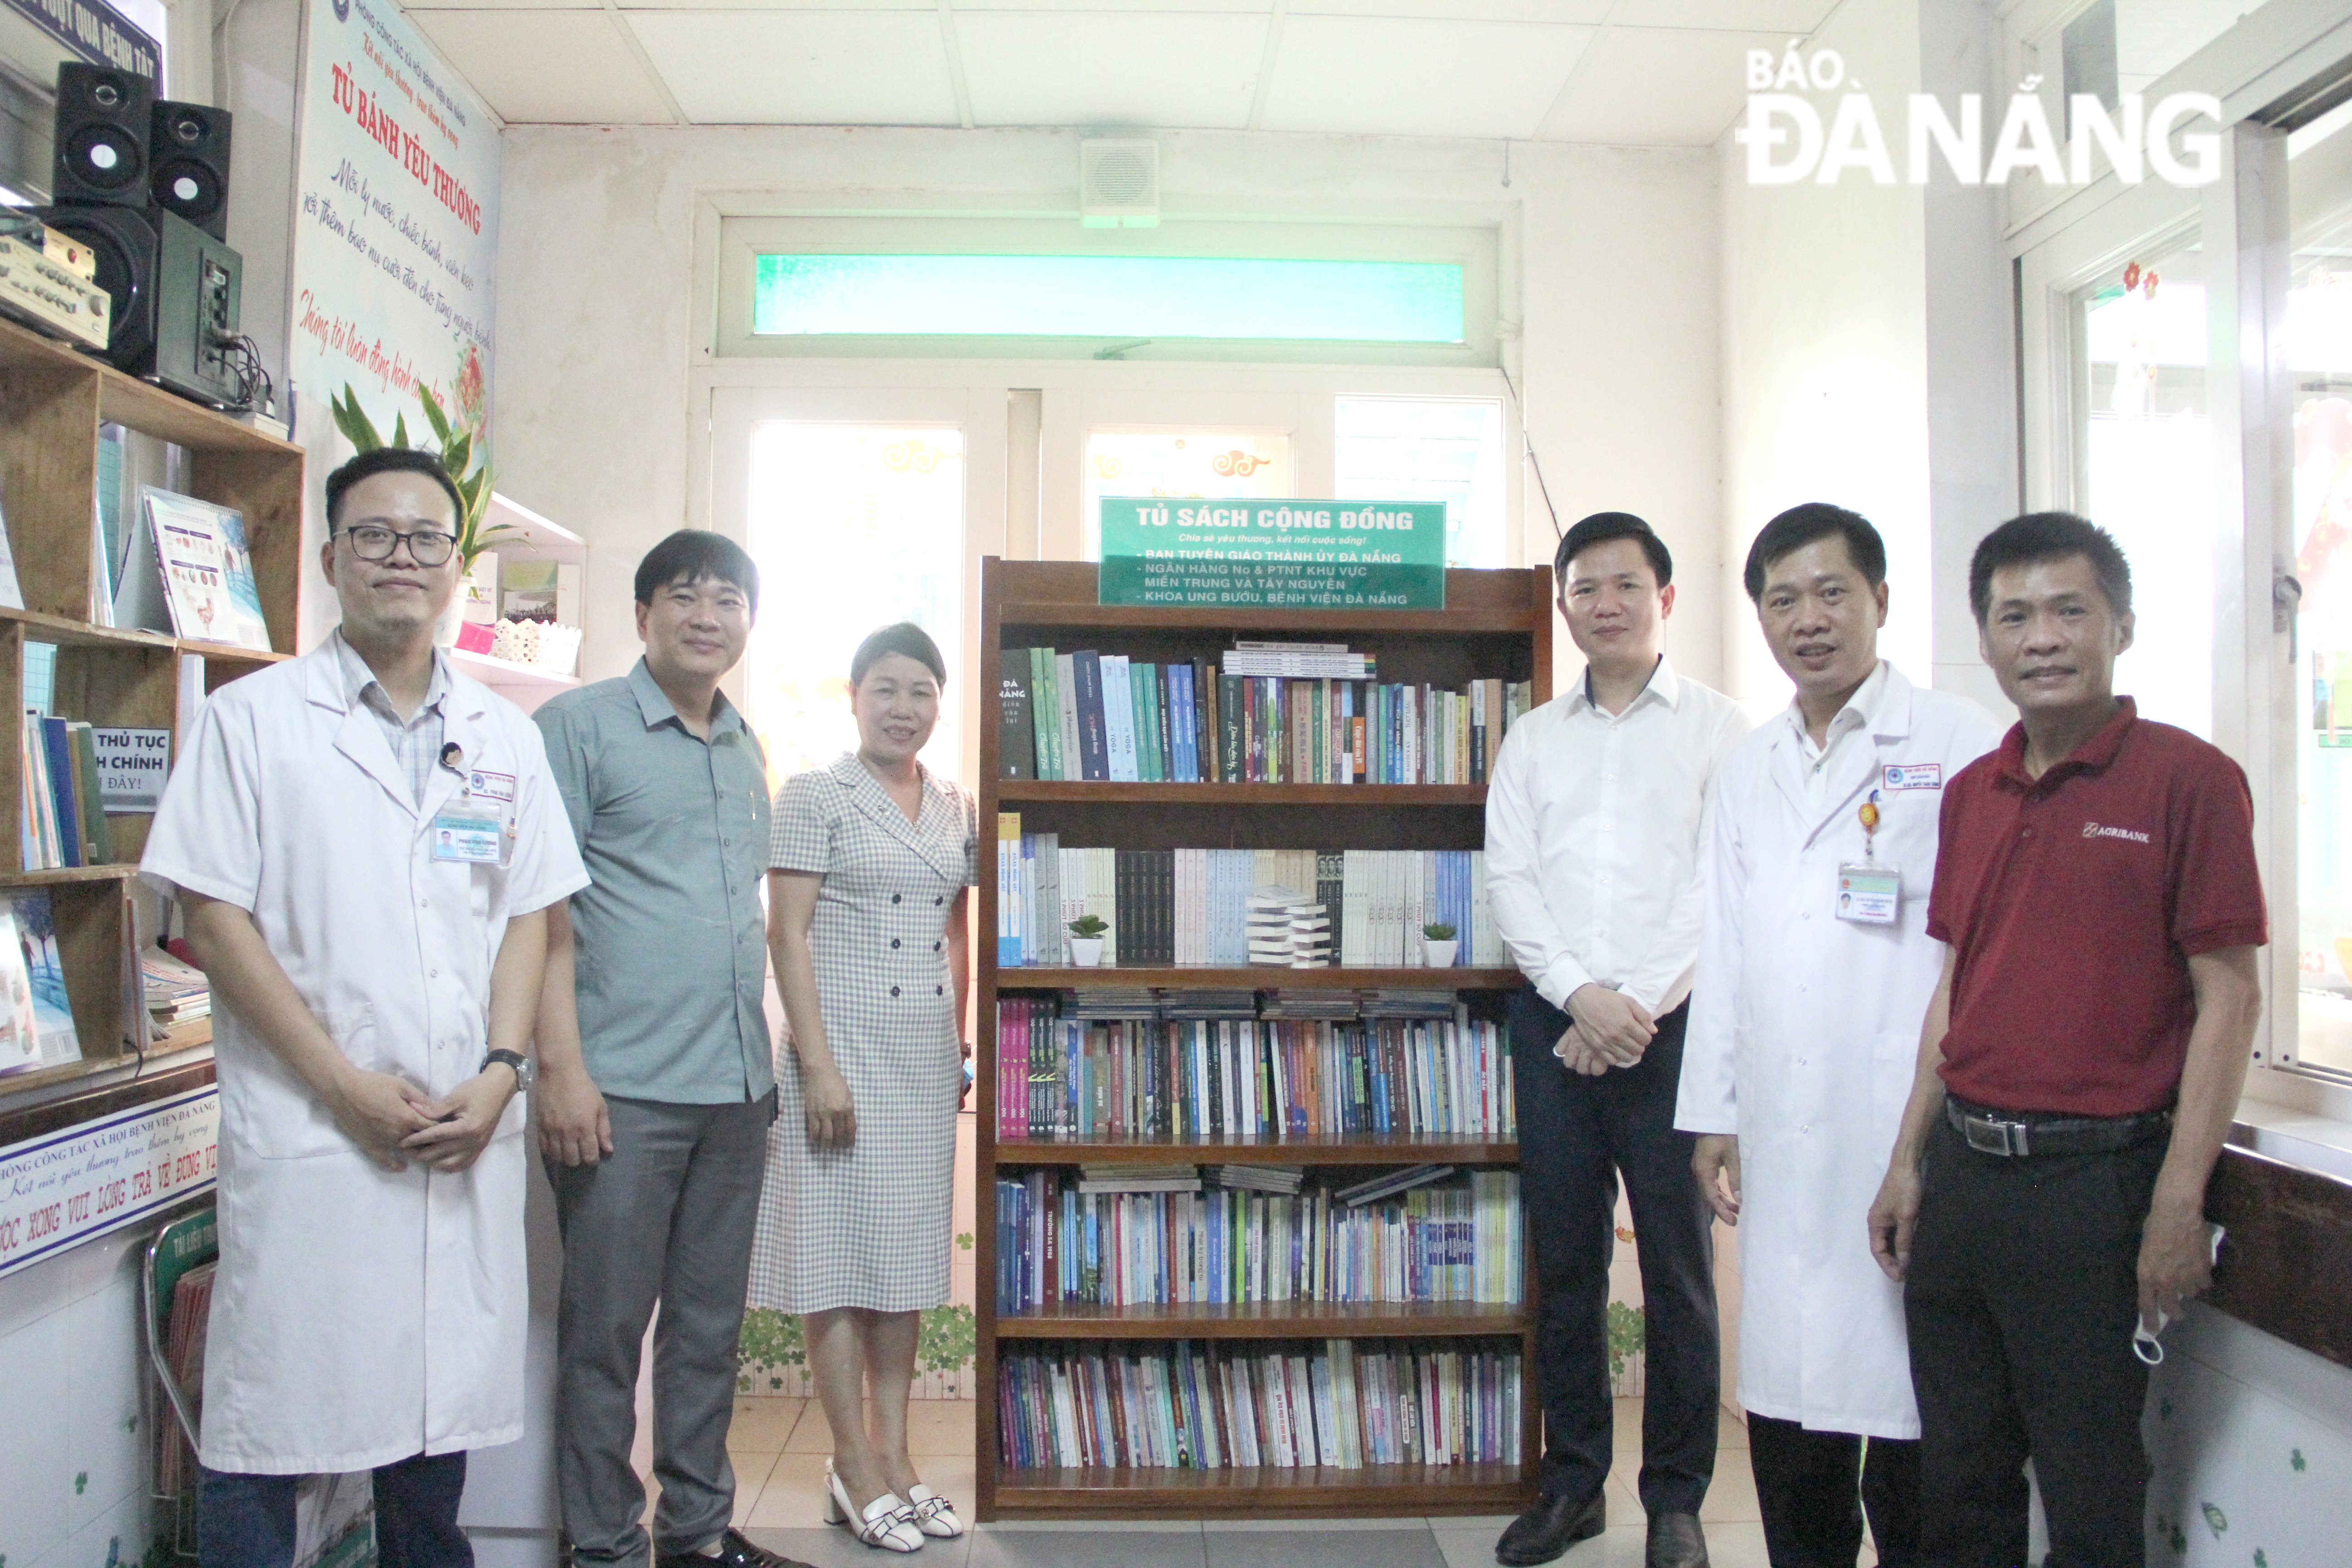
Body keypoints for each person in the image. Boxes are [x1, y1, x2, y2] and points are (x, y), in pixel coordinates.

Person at [142, 445, 588, 1568]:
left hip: (459, 1121)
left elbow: (528, 913)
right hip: (313, 1130)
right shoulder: (253, 723)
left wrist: (502, 1073)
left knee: (434, 1434)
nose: (403, 557)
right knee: (273, 1426)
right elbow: (214, 914)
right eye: (376, 536)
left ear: (456, 570)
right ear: (334, 558)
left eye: (427, 539)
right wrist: (339, 1085)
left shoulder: (503, 739)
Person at [1866, 513, 2267, 1568]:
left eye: (2068, 610)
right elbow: (1957, 989)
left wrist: (2180, 1200)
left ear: (2120, 626)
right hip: (1965, 1179)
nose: (2041, 637)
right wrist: (1908, 1161)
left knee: (2090, 1491)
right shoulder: (1971, 795)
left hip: (2098, 1187)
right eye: (2015, 616)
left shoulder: (2191, 780)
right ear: (1985, 641)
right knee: (1959, 1484)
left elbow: (2230, 1001)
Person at [1678, 504, 2001, 1568]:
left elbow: (1983, 946)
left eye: (1831, 594)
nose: (1808, 620)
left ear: (1880, 602)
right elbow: (1724, 944)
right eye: (1782, 600)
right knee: (1790, 1397)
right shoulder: (1749, 765)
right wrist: (1716, 1114)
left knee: (1915, 1400)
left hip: (1908, 1120)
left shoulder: (1960, 744)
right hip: (1783, 1119)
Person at [1486, 512, 1751, 1568]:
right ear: (1565, 604)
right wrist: (1578, 995)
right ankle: (1575, 1485)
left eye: (1625, 585)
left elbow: (1717, 884)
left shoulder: (1723, 731)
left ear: (1666, 599)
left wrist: (1632, 1003)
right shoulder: (1534, 737)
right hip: (1558, 1028)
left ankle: (1678, 1499)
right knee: (1569, 1266)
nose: (1605, 604)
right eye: (1585, 587)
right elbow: (1511, 876)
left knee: (1681, 1275)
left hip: (1676, 1030)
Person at [532, 531, 799, 1568]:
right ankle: (601, 1548)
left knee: (706, 1335)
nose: (706, 615)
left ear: (746, 622)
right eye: (684, 596)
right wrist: (560, 1070)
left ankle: (693, 1537)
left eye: (727, 598)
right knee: (605, 1340)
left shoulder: (743, 744)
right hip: (621, 1093)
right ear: (643, 614)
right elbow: (536, 914)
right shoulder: (578, 727)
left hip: (736, 1090)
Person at [750, 621, 975, 1553]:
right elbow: (785, 934)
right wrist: (816, 1064)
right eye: (885, 689)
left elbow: (957, 931)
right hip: (835, 1051)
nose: (904, 708)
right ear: (853, 697)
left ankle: (899, 1455)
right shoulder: (815, 794)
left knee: (905, 1260)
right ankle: (850, 1461)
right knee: (836, 1257)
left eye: (921, 691)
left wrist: (958, 1042)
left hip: (921, 1057)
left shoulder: (954, 803)